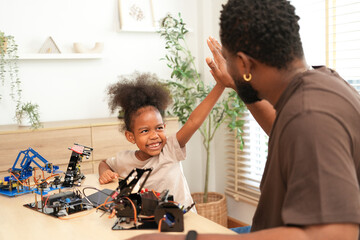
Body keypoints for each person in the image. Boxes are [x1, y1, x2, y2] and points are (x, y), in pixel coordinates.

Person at [127, 0, 360, 239]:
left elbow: (334, 234)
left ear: (245, 63)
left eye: (228, 60)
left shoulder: (311, 118)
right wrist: (235, 83)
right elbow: (282, 129)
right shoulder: (325, 84)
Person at [98, 72, 226, 210]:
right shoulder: (124, 159)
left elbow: (193, 121)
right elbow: (104, 163)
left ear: (164, 127)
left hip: (183, 219)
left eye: (159, 128)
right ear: (131, 136)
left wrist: (220, 85)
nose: (154, 136)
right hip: (151, 222)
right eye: (145, 131)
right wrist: (105, 173)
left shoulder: (170, 149)